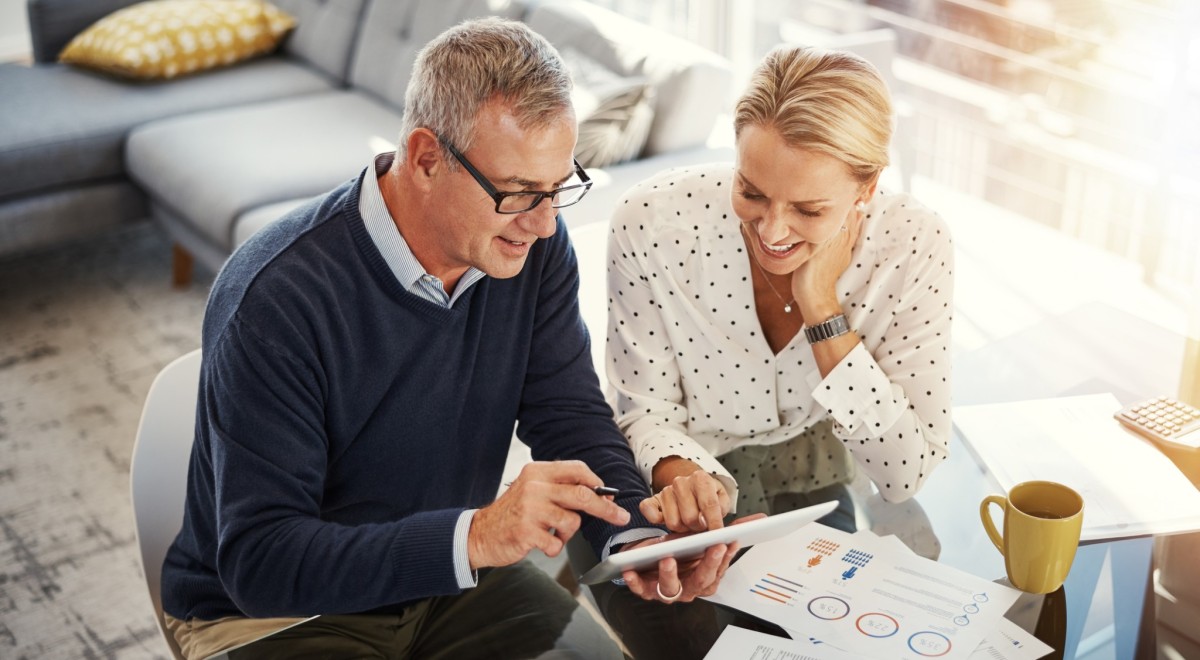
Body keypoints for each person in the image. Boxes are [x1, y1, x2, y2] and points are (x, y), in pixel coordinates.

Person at [158, 18, 736, 660]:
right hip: (280, 615)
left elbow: (567, 413)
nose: (545, 223)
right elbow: (261, 562)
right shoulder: (277, 298)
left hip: (448, 579)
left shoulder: (529, 249)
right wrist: (477, 537)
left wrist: (634, 537)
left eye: (559, 187)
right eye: (518, 193)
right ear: (427, 157)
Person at [607, 44, 954, 542]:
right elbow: (644, 409)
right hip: (677, 470)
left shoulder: (913, 245)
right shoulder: (651, 223)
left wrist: (822, 309)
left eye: (809, 210)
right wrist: (686, 484)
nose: (771, 232)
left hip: (814, 469)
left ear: (868, 188)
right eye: (751, 192)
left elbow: (902, 476)